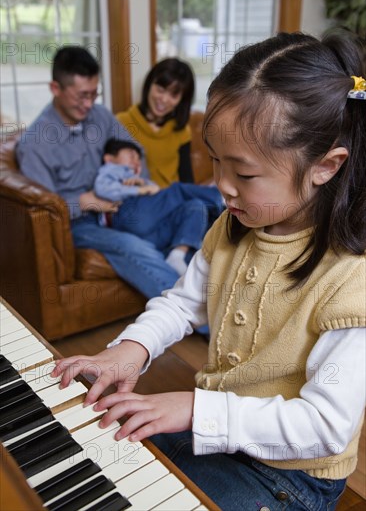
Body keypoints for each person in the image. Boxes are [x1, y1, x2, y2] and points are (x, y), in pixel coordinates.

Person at [52, 31, 366, 510]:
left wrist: (197, 408)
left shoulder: (351, 278)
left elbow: (324, 429)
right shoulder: (233, 225)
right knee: (95, 457)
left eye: (243, 173)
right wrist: (131, 351)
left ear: (325, 165)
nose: (222, 186)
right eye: (216, 161)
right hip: (217, 436)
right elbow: (182, 301)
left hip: (289, 478)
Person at [16, 46, 182, 298]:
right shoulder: (34, 144)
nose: (88, 104)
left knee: (183, 217)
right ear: (55, 89)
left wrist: (135, 174)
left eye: (94, 94)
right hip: (79, 224)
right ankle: (206, 320)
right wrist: (83, 202)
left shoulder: (101, 116)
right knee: (135, 248)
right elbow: (46, 211)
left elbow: (136, 151)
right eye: (81, 96)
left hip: (121, 207)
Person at [94, 138, 213, 275]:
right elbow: (102, 188)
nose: (136, 161)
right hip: (126, 217)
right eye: (131, 155)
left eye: (138, 159)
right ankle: (219, 198)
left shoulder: (137, 179)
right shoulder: (112, 170)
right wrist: (138, 190)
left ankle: (177, 255)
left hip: (149, 234)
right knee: (177, 190)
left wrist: (142, 184)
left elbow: (155, 191)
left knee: (195, 206)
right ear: (109, 158)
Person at [116, 58, 195, 188]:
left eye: (173, 95)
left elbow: (187, 178)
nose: (163, 99)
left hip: (174, 200)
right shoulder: (122, 123)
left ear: (182, 100)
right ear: (149, 85)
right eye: (160, 89)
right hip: (138, 199)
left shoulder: (182, 130)